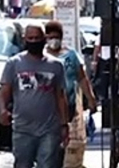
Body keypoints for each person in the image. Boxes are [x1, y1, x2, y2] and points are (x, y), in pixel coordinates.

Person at [0, 24, 70, 168]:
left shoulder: (56, 65)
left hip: (49, 129)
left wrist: (64, 124)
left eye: (37, 38)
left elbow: (60, 96)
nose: (34, 41)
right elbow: (4, 92)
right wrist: (2, 110)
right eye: (30, 38)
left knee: (47, 164)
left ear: (44, 39)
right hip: (23, 129)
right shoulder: (14, 64)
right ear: (25, 40)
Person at [44, 21, 97, 168]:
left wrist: (91, 100)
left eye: (56, 37)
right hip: (47, 107)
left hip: (68, 106)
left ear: (61, 38)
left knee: (65, 140)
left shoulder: (71, 56)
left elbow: (82, 79)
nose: (53, 40)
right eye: (50, 37)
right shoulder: (42, 57)